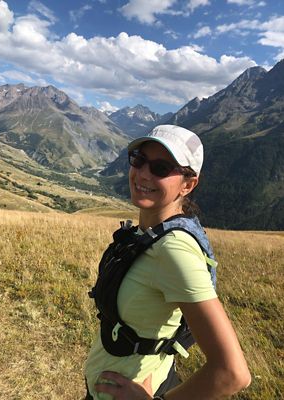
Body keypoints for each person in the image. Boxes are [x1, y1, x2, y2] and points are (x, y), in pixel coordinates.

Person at [85, 125, 251, 400]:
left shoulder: (174, 250)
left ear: (188, 184)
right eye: (138, 160)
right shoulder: (150, 234)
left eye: (161, 168)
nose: (142, 173)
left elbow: (233, 373)